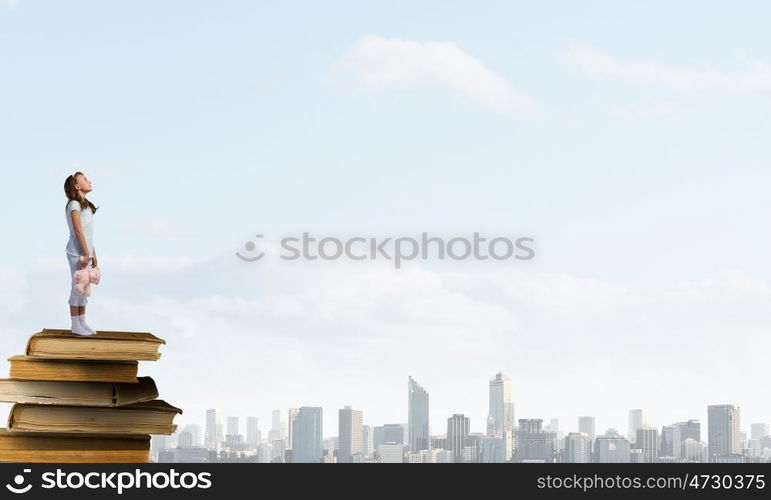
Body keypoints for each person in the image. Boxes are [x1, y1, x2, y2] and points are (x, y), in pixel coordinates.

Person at [63, 172, 99, 336]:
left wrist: (93, 253)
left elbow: (88, 233)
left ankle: (82, 321)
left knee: (84, 286)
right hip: (76, 251)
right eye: (85, 179)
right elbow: (78, 231)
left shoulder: (84, 205)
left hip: (85, 251)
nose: (89, 181)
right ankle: (75, 324)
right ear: (77, 186)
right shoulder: (74, 205)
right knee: (77, 286)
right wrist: (85, 253)